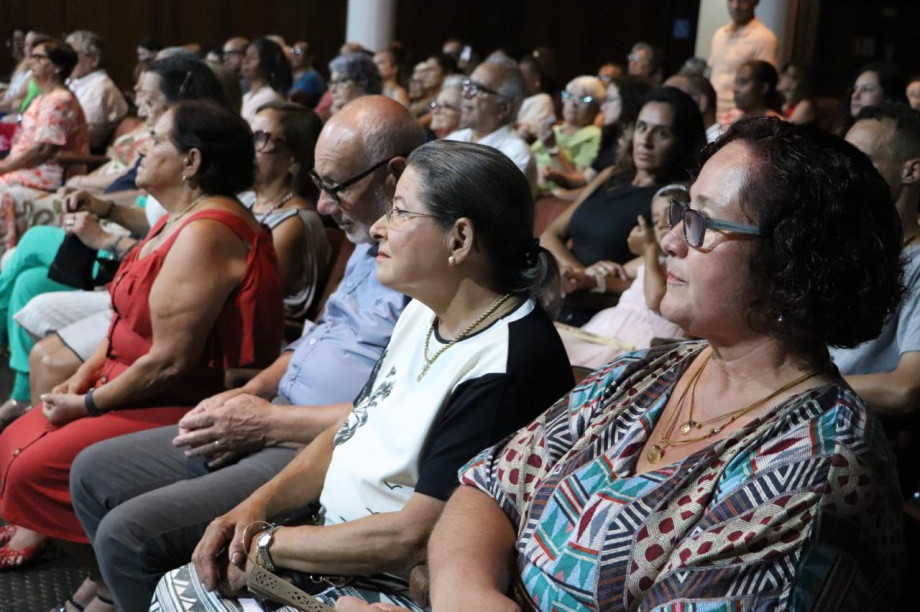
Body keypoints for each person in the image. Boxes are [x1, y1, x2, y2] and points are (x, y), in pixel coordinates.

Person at [420, 116, 905, 611]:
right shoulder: (652, 370)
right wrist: (465, 592)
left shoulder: (814, 469)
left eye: (702, 222)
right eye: (682, 211)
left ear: (791, 260)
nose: (671, 240)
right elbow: (491, 485)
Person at [150, 139, 575, 612]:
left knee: (180, 596)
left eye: (399, 212)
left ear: (459, 240)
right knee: (179, 586)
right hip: (328, 545)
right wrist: (256, 507)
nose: (377, 227)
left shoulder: (511, 359)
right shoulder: (424, 310)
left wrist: (267, 543)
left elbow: (415, 534)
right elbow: (355, 428)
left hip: (389, 587)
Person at [67, 96, 420, 611]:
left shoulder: (422, 262)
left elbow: (399, 412)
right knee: (93, 472)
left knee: (128, 534)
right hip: (274, 413)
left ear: (395, 175)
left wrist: (267, 422)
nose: (322, 206)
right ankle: (123, 596)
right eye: (319, 187)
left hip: (316, 444)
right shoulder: (370, 237)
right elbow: (316, 338)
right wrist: (250, 394)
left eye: (335, 188)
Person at [0, 100, 285, 574]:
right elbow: (123, 326)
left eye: (155, 140)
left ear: (191, 162)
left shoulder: (208, 231)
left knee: (32, 466)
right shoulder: (176, 218)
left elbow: (170, 363)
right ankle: (99, 578)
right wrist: (83, 377)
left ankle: (108, 585)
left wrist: (89, 404)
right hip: (135, 382)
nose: (142, 149)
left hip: (181, 400)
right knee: (13, 442)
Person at [0, 56, 229, 425]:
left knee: (32, 242)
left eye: (150, 99)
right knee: (27, 282)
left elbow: (164, 260)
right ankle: (19, 399)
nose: (141, 107)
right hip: (129, 264)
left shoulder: (189, 163)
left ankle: (26, 412)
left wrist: (104, 238)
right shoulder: (170, 156)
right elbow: (154, 223)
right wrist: (105, 209)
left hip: (132, 275)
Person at [540, 88, 705, 307]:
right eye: (641, 127)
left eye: (661, 133)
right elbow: (550, 234)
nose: (645, 141)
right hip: (564, 286)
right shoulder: (612, 174)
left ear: (682, 143)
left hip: (602, 303)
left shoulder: (672, 200)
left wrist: (590, 280)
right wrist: (580, 273)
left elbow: (659, 270)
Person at [831, 105, 920, 419]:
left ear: (912, 170)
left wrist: (797, 387)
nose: (844, 173)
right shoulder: (836, 243)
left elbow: (905, 389)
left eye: (862, 161)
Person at [557, 185, 688, 369]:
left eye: (668, 214)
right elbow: (617, 279)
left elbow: (656, 299)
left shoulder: (685, 264)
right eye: (655, 218)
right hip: (609, 327)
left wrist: (649, 248)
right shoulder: (650, 261)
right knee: (551, 342)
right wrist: (586, 278)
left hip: (644, 339)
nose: (659, 224)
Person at [0, 38, 89, 254]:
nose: (32, 61)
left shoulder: (59, 100)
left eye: (39, 57)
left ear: (58, 67)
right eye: (32, 56)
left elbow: (43, 149)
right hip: (27, 169)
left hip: (47, 174)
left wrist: (5, 167)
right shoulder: (45, 97)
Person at [242, 101, 330, 318]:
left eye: (260, 138)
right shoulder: (245, 200)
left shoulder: (295, 222)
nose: (246, 147)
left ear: (293, 156)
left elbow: (254, 295)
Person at [445, 61, 537, 194]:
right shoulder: (457, 138)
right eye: (467, 84)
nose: (465, 94)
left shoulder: (515, 154)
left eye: (476, 88)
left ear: (503, 108)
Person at [531, 76, 604, 192]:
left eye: (584, 99)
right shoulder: (554, 130)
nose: (573, 103)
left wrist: (552, 148)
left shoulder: (592, 134)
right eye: (569, 96)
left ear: (597, 107)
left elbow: (577, 181)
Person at [708, 0, 778, 116]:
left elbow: (765, 83)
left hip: (739, 117)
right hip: (714, 113)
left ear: (755, 2)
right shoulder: (719, 34)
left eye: (742, 0)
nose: (735, 5)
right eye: (731, 0)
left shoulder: (764, 38)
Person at [64, 30, 128, 151]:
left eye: (72, 54)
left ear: (94, 59)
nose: (66, 60)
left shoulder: (100, 87)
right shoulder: (74, 80)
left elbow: (85, 132)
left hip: (81, 156)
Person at [240, 38, 292, 125]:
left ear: (267, 62)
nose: (245, 61)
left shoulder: (271, 96)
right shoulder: (246, 96)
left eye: (253, 58)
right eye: (245, 56)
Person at [515, 50, 556, 143]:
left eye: (523, 76)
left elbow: (526, 132)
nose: (518, 81)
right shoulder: (516, 99)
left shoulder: (543, 100)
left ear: (536, 78)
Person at [326, 52, 383, 118]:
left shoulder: (375, 116)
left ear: (363, 83)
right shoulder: (335, 114)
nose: (332, 89)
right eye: (332, 82)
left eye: (342, 81)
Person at [288, 40, 325, 108]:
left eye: (299, 52)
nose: (294, 55)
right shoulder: (292, 75)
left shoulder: (312, 77)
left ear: (310, 57)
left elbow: (291, 100)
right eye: (293, 51)